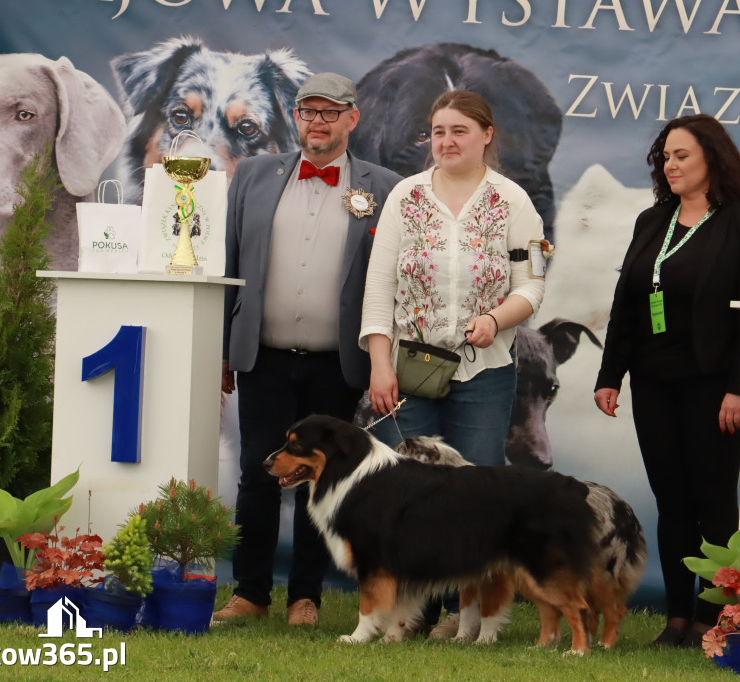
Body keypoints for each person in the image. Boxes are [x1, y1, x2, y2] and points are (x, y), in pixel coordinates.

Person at [215, 72, 402, 626]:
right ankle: (249, 592)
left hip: (338, 362)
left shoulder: (386, 186)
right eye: (307, 111)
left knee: (323, 481)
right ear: (294, 118)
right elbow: (229, 264)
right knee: (257, 472)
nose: (317, 122)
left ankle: (306, 597)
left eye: (329, 112)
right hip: (263, 357)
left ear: (352, 119)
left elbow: (389, 277)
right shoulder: (251, 175)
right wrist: (225, 348)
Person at [360, 90, 546, 637]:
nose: (446, 141)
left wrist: (497, 318)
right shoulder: (405, 196)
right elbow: (379, 284)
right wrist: (379, 363)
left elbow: (532, 284)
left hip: (485, 370)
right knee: (406, 495)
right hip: (408, 370)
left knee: (476, 501)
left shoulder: (514, 202)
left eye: (459, 130)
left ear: (487, 135)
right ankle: (407, 614)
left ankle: (471, 617)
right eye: (438, 131)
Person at [593, 114, 740, 647]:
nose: (670, 166)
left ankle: (713, 616)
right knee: (671, 502)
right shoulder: (653, 220)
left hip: (716, 386)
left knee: (714, 502)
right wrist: (611, 375)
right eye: (665, 158)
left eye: (682, 156)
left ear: (712, 160)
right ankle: (677, 618)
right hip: (655, 384)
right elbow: (626, 305)